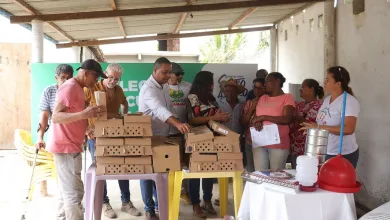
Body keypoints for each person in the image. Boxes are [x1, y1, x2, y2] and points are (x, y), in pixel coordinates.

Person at [38, 59, 107, 220]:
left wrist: (86, 128)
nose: (96, 80)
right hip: (65, 147)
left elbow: (72, 117)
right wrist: (84, 114)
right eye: (95, 76)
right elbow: (55, 116)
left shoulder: (78, 88)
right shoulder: (69, 87)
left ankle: (62, 217)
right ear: (85, 72)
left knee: (66, 190)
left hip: (71, 145)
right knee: (74, 193)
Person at [84, 63, 141, 218]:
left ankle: (126, 202)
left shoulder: (119, 90)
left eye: (116, 79)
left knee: (122, 167)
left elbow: (125, 104)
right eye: (110, 77)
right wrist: (86, 128)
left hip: (115, 135)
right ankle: (104, 203)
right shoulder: (92, 88)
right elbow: (81, 110)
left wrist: (123, 118)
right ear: (105, 74)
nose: (113, 81)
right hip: (96, 136)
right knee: (101, 169)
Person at [139, 57, 191, 220]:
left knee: (161, 173)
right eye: (164, 72)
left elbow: (169, 108)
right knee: (147, 174)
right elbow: (159, 110)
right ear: (154, 71)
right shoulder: (149, 89)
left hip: (163, 136)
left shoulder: (164, 86)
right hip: (149, 136)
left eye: (170, 72)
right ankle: (149, 209)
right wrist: (177, 124)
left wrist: (179, 122)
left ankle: (159, 205)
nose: (168, 75)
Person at [187, 71, 230, 218]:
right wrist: (214, 117)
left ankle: (207, 200)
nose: (212, 85)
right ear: (203, 83)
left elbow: (215, 115)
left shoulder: (211, 98)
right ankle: (195, 203)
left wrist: (222, 117)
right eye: (210, 82)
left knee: (210, 170)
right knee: (195, 171)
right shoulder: (193, 97)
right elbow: (192, 120)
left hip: (213, 138)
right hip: (198, 138)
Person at [301, 66, 360, 168]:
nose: (324, 82)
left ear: (338, 84)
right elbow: (323, 123)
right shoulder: (327, 100)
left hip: (342, 154)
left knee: (337, 183)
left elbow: (348, 129)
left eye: (327, 80)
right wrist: (313, 129)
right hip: (324, 151)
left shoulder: (348, 101)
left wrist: (318, 127)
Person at [34, 64, 74, 196]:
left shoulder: (76, 90)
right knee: (62, 172)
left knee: (72, 173)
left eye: (69, 78)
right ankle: (66, 201)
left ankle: (70, 200)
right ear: (56, 77)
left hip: (73, 135)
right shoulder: (49, 91)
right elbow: (44, 116)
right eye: (62, 77)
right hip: (56, 135)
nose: (65, 81)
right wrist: (40, 137)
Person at [251, 72, 296, 170]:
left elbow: (287, 119)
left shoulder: (287, 97)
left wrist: (263, 117)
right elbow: (256, 117)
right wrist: (257, 121)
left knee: (276, 175)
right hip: (260, 142)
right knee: (260, 175)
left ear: (277, 81)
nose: (265, 84)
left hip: (278, 144)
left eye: (268, 81)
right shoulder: (263, 98)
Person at [166, 62, 192, 204]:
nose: (181, 76)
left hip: (185, 131)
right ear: (169, 74)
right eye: (178, 74)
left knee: (185, 163)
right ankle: (169, 195)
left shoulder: (187, 86)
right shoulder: (162, 87)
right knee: (169, 164)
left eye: (182, 74)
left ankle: (184, 191)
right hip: (167, 132)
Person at [289, 79, 324, 169]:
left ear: (311, 89)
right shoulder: (299, 105)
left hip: (310, 148)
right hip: (295, 147)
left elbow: (314, 125)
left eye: (303, 87)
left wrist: (297, 118)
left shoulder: (320, 106)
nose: (300, 89)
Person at [239, 77, 266, 172]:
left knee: (263, 172)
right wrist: (251, 109)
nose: (256, 90)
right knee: (251, 170)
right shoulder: (249, 103)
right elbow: (243, 122)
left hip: (265, 142)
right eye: (255, 87)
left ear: (265, 88)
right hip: (250, 140)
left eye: (260, 88)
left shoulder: (269, 103)